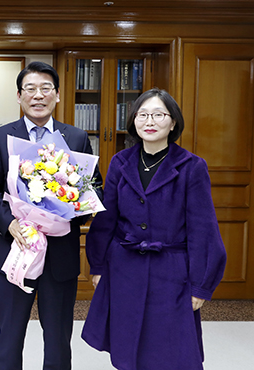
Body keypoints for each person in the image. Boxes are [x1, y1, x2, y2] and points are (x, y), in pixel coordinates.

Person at [81, 88, 226, 369]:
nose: (150, 120)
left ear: (173, 123)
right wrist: (97, 265)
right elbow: (106, 219)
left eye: (159, 114)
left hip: (172, 273)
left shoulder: (191, 167)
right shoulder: (120, 162)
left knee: (171, 350)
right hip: (124, 269)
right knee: (126, 345)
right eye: (143, 114)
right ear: (134, 120)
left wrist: (200, 285)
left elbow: (203, 228)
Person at [0, 61, 103, 370]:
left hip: (61, 254)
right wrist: (10, 223)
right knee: (10, 334)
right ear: (19, 96)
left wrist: (70, 212)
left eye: (46, 88)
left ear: (57, 95)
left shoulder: (75, 137)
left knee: (59, 337)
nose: (38, 95)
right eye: (30, 89)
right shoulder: (0, 138)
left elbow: (93, 186)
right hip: (18, 251)